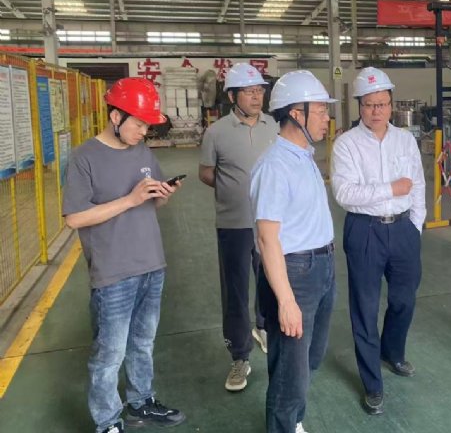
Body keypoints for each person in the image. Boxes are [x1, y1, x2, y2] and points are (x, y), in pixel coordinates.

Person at [62, 77, 186, 433]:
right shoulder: (84, 157)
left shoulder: (143, 153)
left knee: (142, 343)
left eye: (148, 125)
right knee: (109, 353)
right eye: (139, 124)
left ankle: (140, 402)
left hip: (152, 263)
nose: (144, 132)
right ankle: (107, 421)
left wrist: (162, 195)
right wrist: (130, 199)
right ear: (115, 116)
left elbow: (151, 203)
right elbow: (74, 218)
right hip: (113, 272)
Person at [331, 67, 425, 416]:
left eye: (382, 104)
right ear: (359, 105)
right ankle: (372, 382)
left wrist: (415, 225)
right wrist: (390, 189)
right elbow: (345, 194)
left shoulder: (405, 140)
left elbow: (417, 184)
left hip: (403, 229)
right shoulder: (347, 144)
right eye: (370, 104)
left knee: (404, 299)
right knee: (365, 308)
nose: (376, 111)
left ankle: (393, 352)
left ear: (391, 104)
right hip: (364, 231)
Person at [249, 70, 337, 433]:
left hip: (322, 266)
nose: (327, 117)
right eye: (321, 110)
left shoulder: (304, 155)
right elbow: (267, 239)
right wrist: (286, 301)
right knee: (290, 367)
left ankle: (292, 420)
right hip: (295, 272)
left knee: (308, 359)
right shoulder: (275, 165)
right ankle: (283, 425)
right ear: (297, 114)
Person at [199, 63, 278, 392]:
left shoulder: (274, 126)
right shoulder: (216, 132)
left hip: (269, 223)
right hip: (233, 224)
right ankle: (240, 355)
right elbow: (206, 172)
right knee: (235, 291)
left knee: (271, 281)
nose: (257, 97)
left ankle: (264, 327)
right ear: (232, 96)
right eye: (249, 92)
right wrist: (232, 188)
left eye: (259, 91)